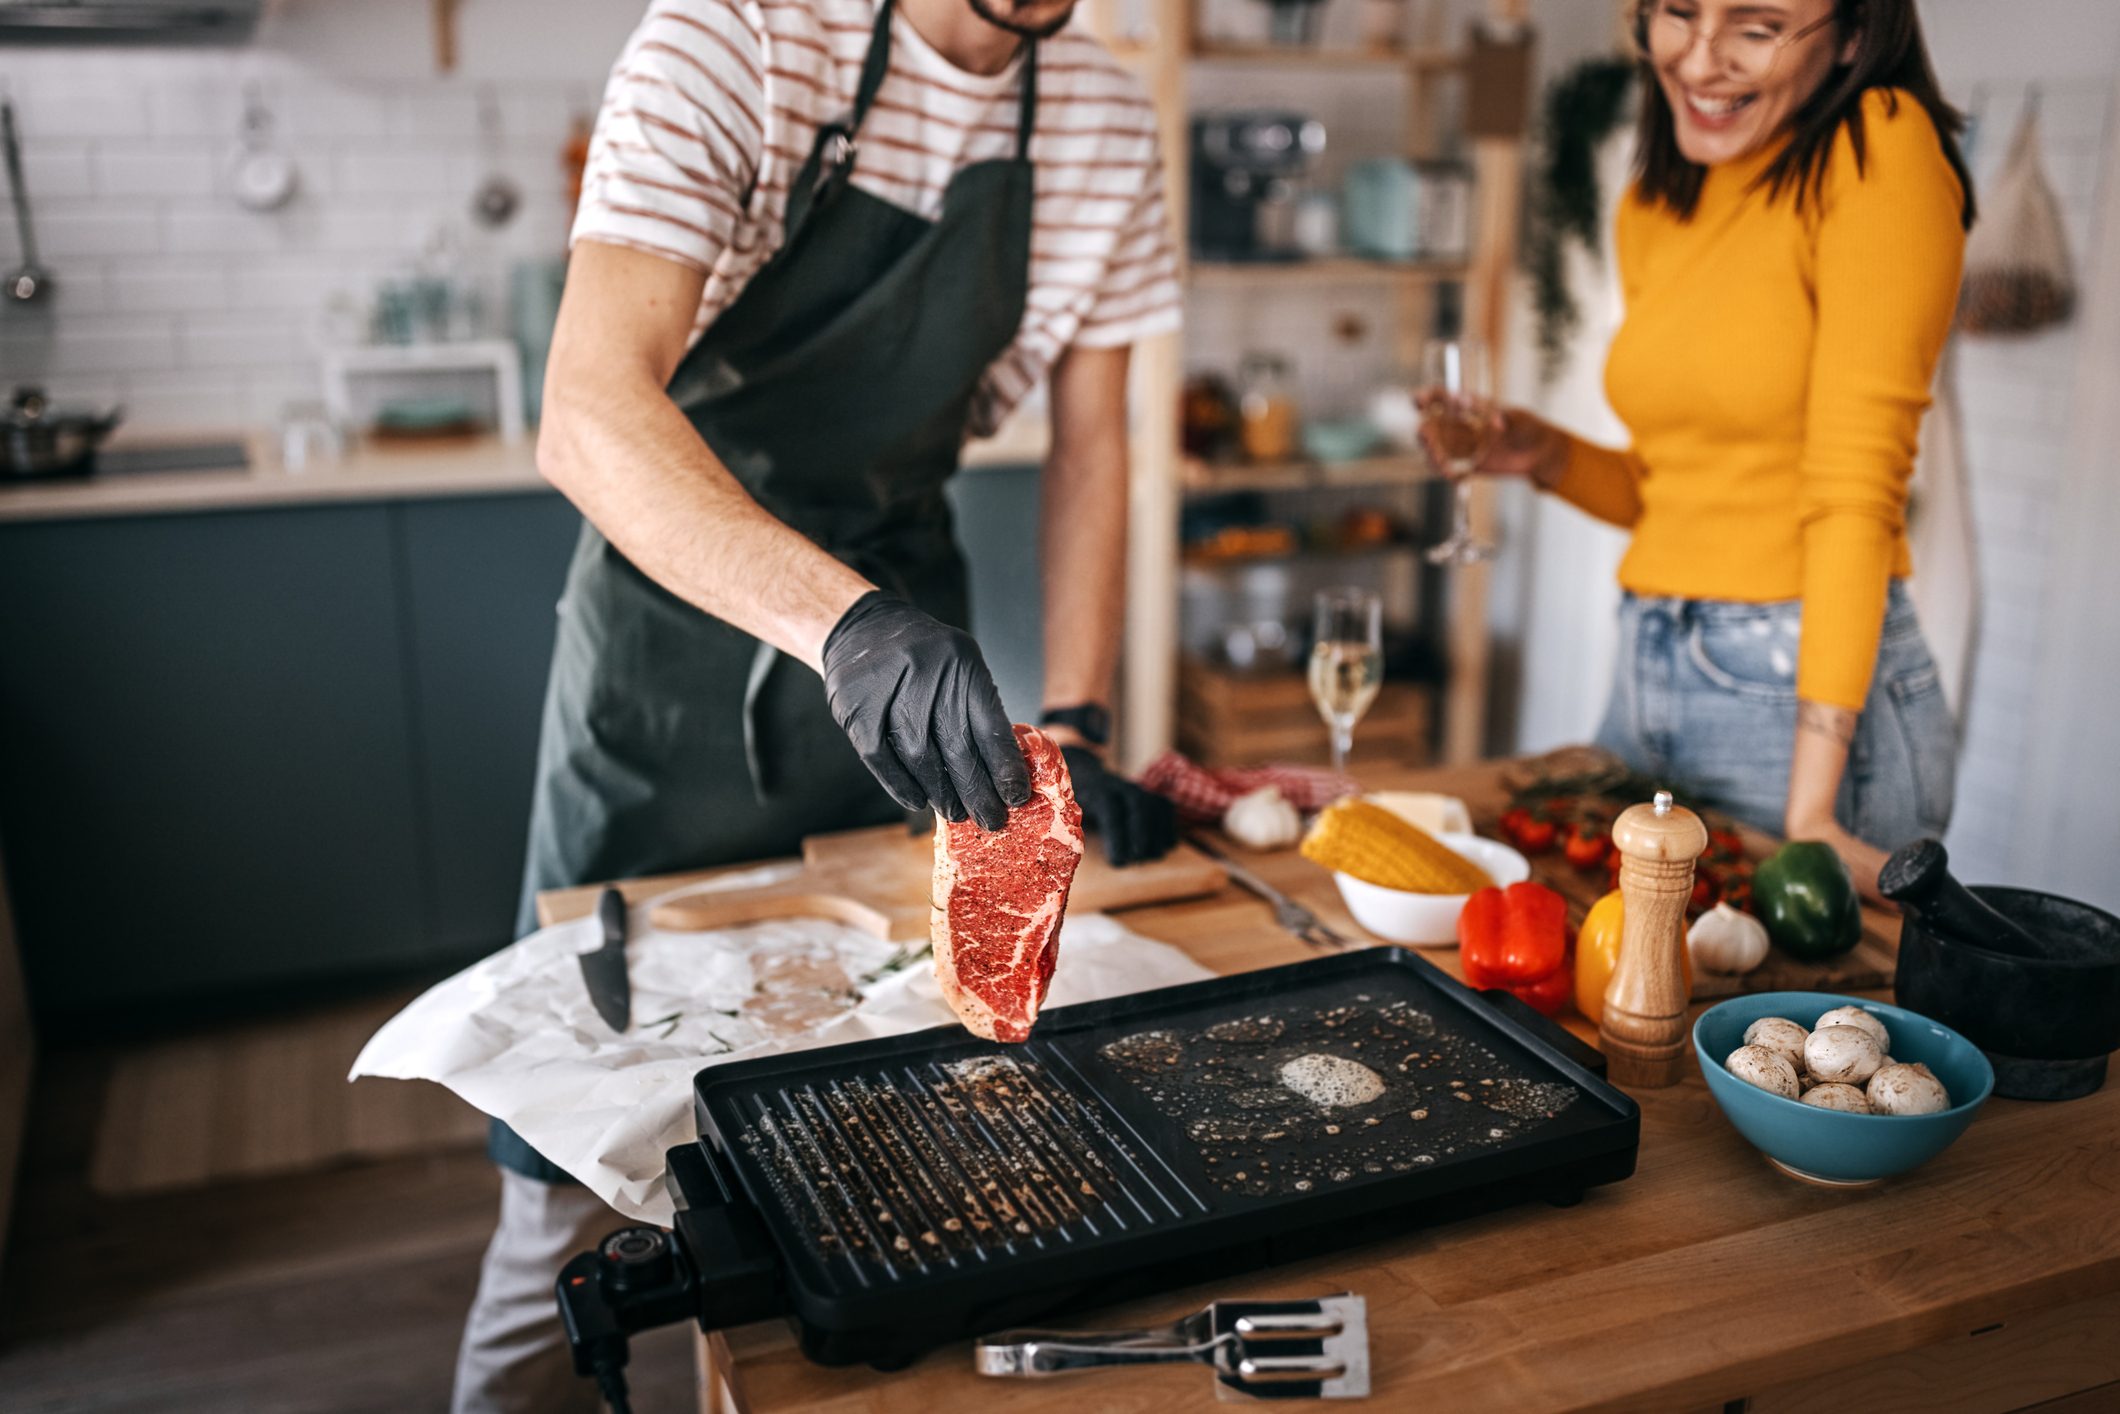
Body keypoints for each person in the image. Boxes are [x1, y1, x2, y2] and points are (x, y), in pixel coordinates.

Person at [451, 0, 1181, 1406]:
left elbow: (1098, 442)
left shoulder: (1101, 121)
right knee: (564, 1177)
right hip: (669, 663)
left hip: (902, 683)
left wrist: (1081, 712)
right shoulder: (736, 39)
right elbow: (589, 407)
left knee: (867, 1127)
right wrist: (841, 626)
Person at [1437, 0, 1973, 900]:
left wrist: (1811, 814)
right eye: (1678, 13)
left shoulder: (1878, 144)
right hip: (1650, 657)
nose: (1700, 58)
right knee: (1618, 998)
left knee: (1783, 1028)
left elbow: (1856, 491)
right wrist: (1546, 454)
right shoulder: (1660, 195)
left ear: (1852, 35)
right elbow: (1673, 492)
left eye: (1757, 27)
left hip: (1801, 691)